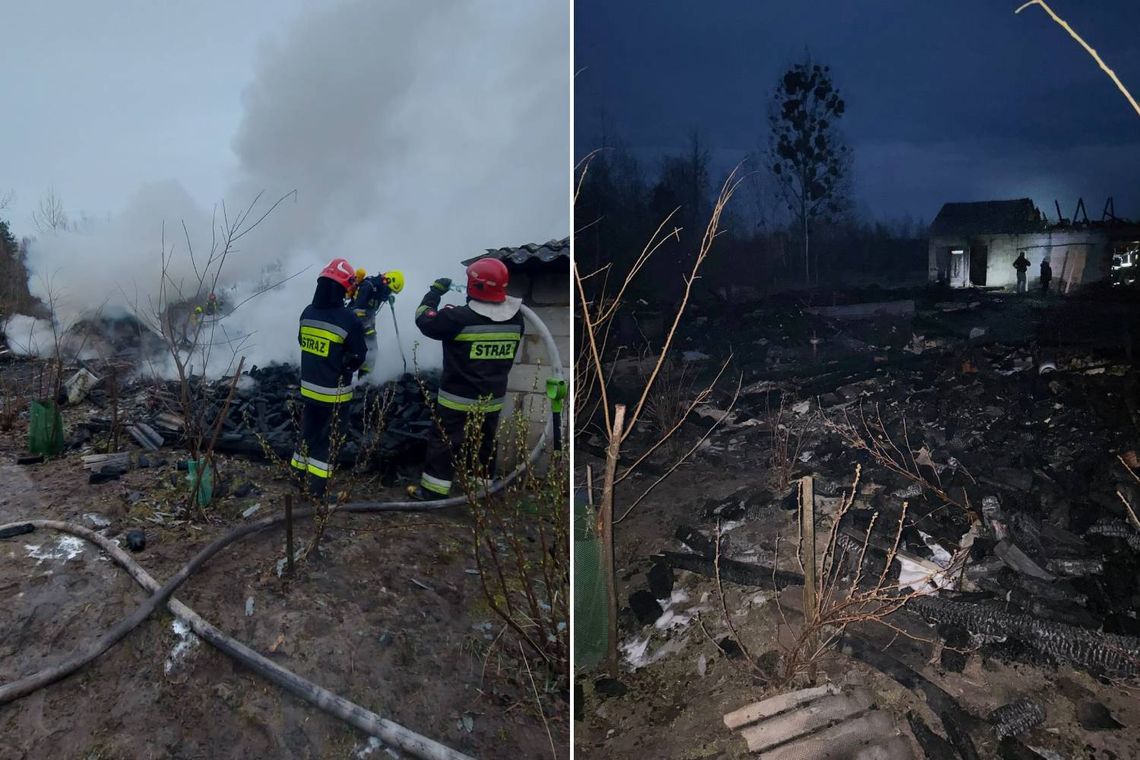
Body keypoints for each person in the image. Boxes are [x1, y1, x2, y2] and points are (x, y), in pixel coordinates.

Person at [409, 258, 524, 500]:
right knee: (483, 445)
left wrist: (434, 293)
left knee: (444, 443)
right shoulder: (516, 319)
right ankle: (480, 491)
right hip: (492, 399)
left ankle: (432, 493)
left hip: (457, 398)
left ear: (475, 285)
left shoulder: (458, 318)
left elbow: (424, 319)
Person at [291, 258, 367, 499]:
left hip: (308, 388)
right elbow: (359, 356)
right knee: (328, 439)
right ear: (343, 288)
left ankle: (297, 477)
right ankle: (317, 490)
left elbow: (303, 342)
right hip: (333, 393)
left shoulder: (307, 312)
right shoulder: (349, 319)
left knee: (308, 432)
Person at [350, 269, 405, 379]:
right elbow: (356, 310)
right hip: (353, 323)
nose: (389, 293)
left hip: (365, 322)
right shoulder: (368, 286)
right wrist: (368, 329)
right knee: (368, 350)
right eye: (390, 290)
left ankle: (364, 380)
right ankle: (356, 379)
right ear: (387, 281)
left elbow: (371, 310)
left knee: (370, 350)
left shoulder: (379, 289)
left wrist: (388, 297)